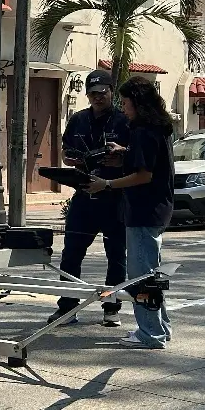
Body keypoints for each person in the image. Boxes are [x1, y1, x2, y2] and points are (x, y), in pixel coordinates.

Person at [83, 76, 175, 349]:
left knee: (142, 276)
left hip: (144, 210)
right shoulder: (156, 128)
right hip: (157, 208)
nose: (122, 108)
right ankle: (160, 328)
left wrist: (106, 184)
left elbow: (144, 175)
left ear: (138, 102)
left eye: (125, 102)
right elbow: (149, 160)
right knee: (152, 274)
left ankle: (150, 334)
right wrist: (126, 151)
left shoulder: (143, 130)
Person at [47, 69, 130, 328]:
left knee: (116, 256)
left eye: (102, 93)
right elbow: (65, 151)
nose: (98, 98)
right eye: (93, 94)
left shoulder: (123, 120)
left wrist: (121, 156)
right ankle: (68, 307)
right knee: (71, 254)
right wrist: (70, 160)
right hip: (83, 196)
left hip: (113, 195)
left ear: (111, 92)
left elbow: (136, 155)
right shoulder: (79, 119)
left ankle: (111, 308)